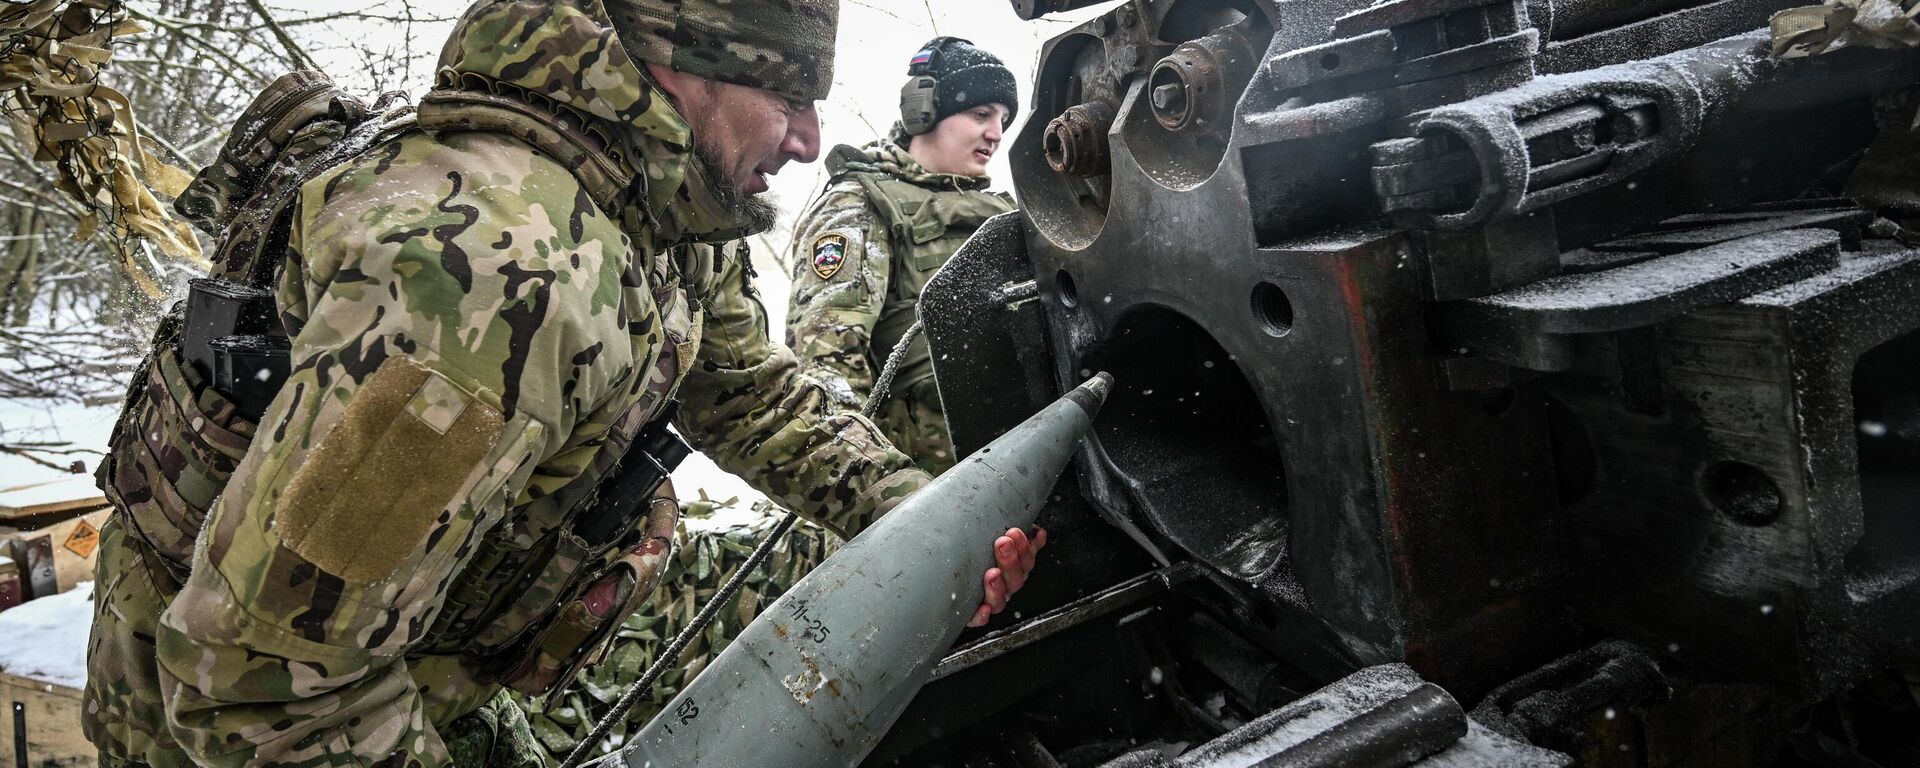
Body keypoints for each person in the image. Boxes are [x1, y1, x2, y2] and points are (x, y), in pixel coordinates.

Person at [83, 2, 1045, 765]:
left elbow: (751, 393)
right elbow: (263, 682)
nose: (807, 137)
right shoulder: (498, 276)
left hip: (420, 668)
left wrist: (930, 519)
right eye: (788, 94)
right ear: (679, 68)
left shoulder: (662, 211)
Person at [785, 37, 1019, 475]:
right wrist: (885, 486)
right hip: (925, 486)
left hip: (1026, 463)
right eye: (981, 114)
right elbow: (827, 371)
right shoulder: (861, 206)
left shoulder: (1005, 215)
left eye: (1003, 120)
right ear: (923, 111)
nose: (996, 133)